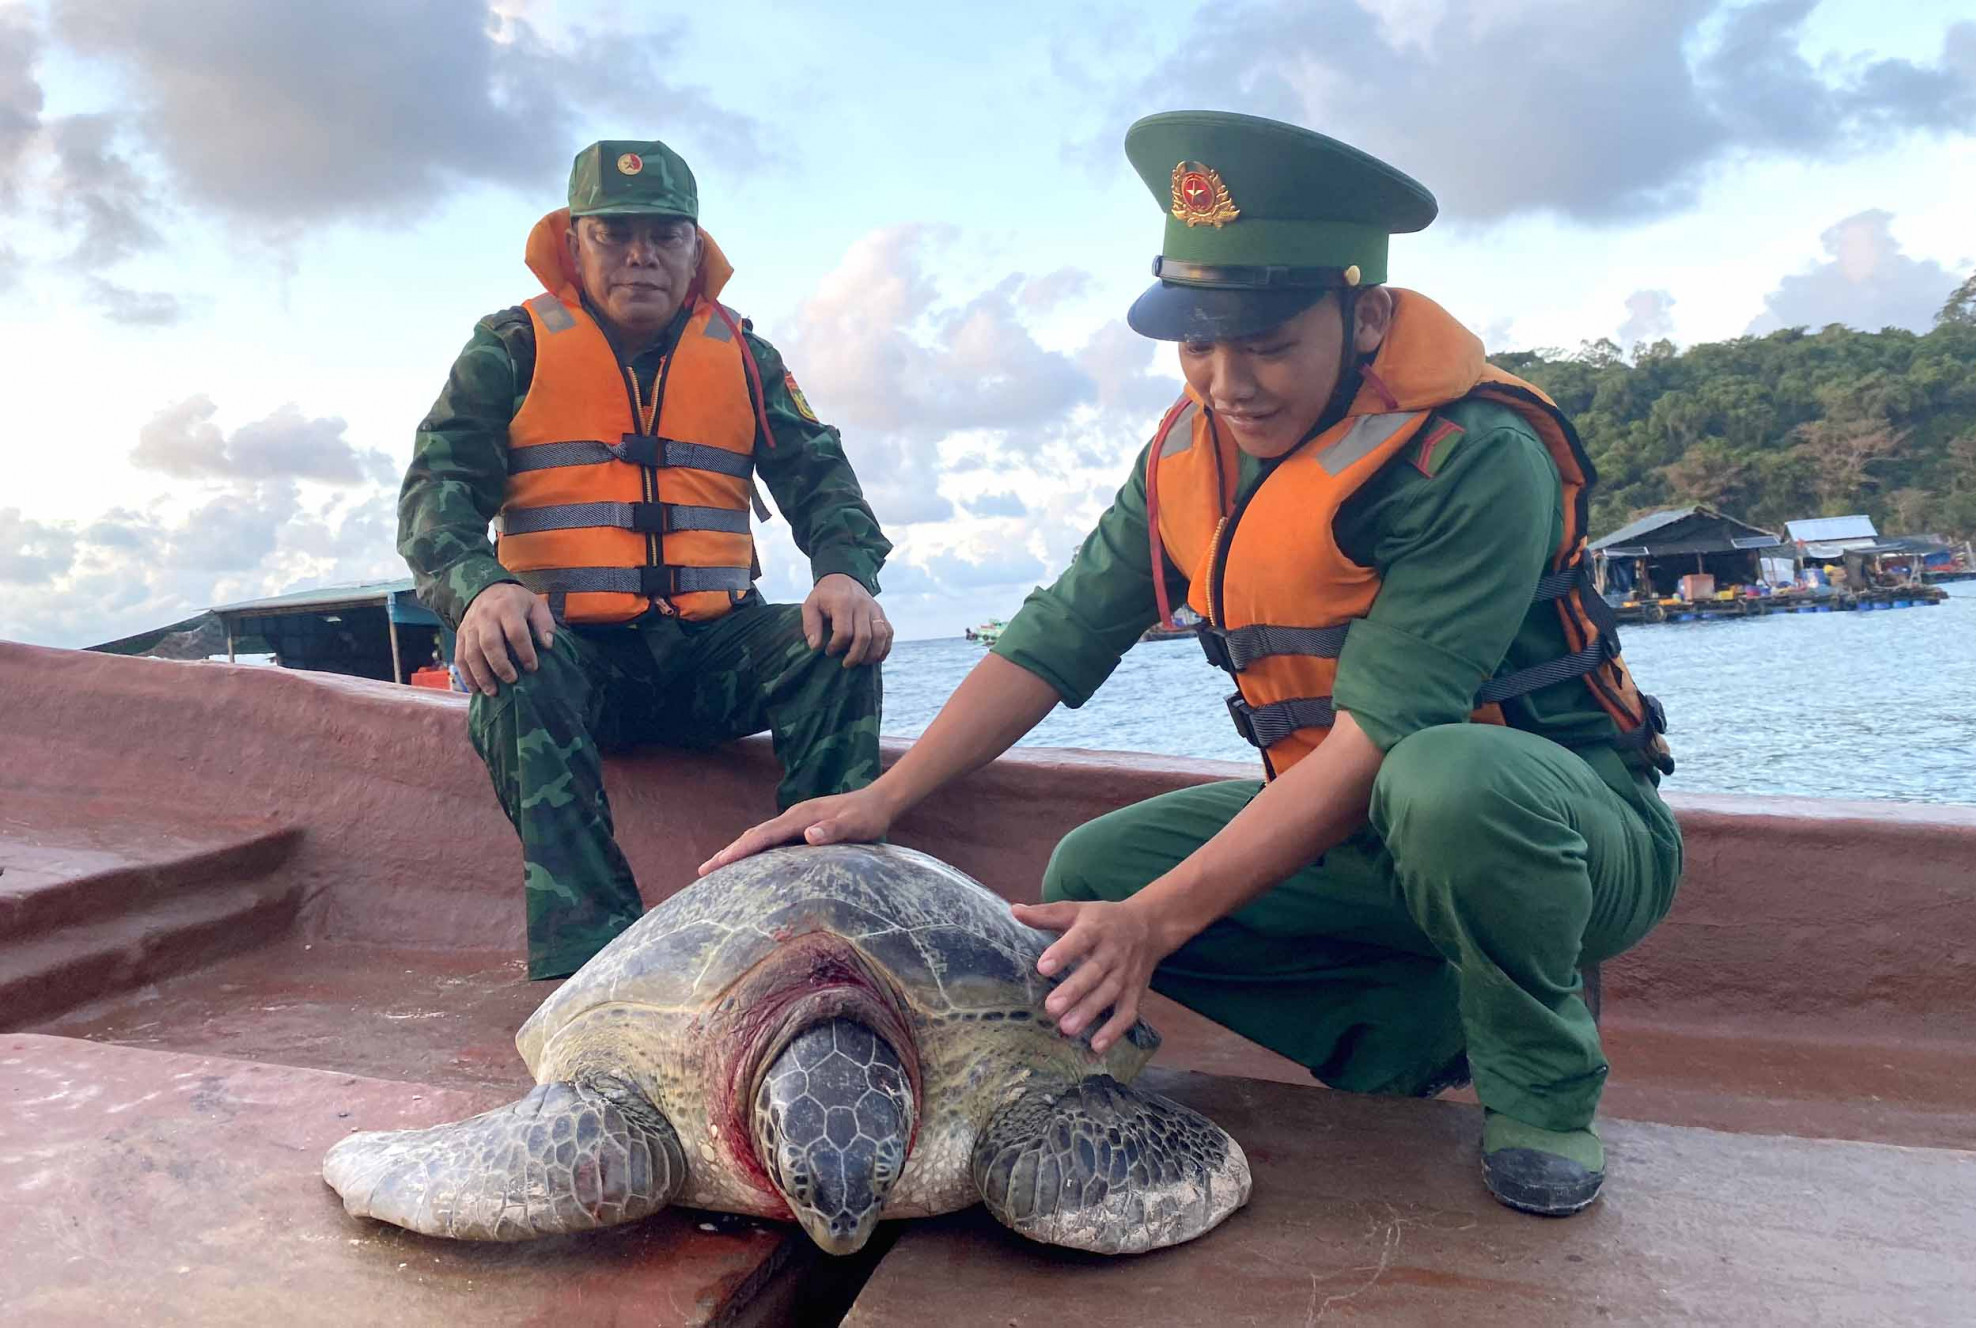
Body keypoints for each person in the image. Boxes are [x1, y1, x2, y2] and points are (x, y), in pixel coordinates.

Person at [703, 112, 1680, 1217]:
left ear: (1362, 315)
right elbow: (1053, 637)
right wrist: (880, 799)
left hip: (1563, 832)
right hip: (1366, 830)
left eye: (1265, 340)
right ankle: (1414, 1037)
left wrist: (1158, 923)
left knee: (1444, 780)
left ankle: (1542, 1091)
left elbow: (1380, 741)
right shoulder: (1189, 453)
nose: (1227, 379)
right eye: (1197, 342)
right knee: (1092, 880)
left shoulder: (1472, 460)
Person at [398, 140, 895, 981]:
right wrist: (480, 589)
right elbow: (433, 498)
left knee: (838, 647)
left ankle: (821, 920)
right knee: (513, 670)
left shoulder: (744, 355)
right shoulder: (508, 349)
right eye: (615, 233)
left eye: (664, 235)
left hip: (712, 657)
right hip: (576, 667)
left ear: (695, 248)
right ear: (573, 241)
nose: (641, 255)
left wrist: (845, 570)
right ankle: (600, 963)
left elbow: (823, 480)